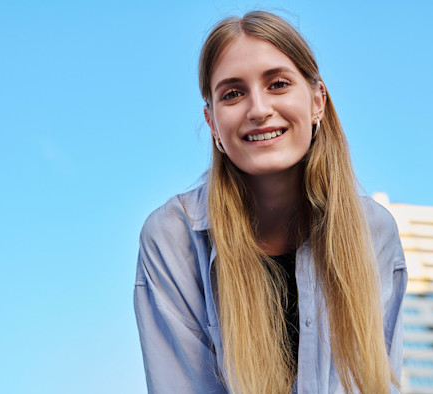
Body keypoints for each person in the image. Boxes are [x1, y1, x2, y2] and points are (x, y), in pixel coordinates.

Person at [134, 10, 407, 394]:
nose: (259, 109)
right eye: (233, 93)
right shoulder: (173, 237)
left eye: (278, 84)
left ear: (317, 102)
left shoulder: (373, 232)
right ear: (212, 122)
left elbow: (376, 383)